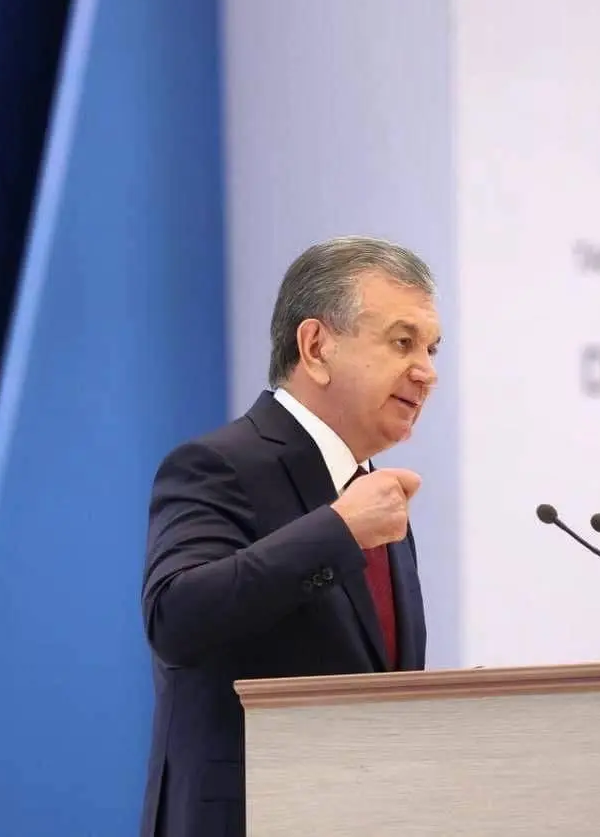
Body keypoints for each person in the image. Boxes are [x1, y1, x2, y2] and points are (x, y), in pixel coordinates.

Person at [138, 236, 441, 837]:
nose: (426, 371)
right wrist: (339, 529)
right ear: (316, 347)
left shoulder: (372, 493)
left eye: (431, 349)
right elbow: (175, 617)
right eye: (402, 342)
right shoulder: (218, 464)